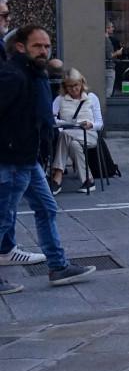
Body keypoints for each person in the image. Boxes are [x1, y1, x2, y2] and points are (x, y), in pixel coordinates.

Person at [0, 26, 95, 288]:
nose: (44, 51)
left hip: (29, 159)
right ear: (21, 47)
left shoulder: (36, 73)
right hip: (13, 158)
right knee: (4, 217)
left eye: (46, 45)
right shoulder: (13, 75)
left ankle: (58, 267)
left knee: (46, 208)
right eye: (37, 46)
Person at [49, 70, 104, 193]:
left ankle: (58, 175)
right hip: (69, 136)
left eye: (76, 85)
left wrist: (91, 125)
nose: (74, 89)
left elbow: (100, 124)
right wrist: (63, 123)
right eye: (70, 86)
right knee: (73, 144)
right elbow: (51, 119)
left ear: (81, 83)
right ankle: (88, 180)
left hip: (88, 135)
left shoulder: (91, 97)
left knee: (64, 134)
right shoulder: (60, 99)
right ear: (65, 86)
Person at [104, 17, 121, 98]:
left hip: (107, 68)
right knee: (108, 92)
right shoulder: (106, 40)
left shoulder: (106, 40)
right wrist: (117, 52)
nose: (113, 29)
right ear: (106, 29)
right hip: (109, 68)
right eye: (111, 27)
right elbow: (109, 56)